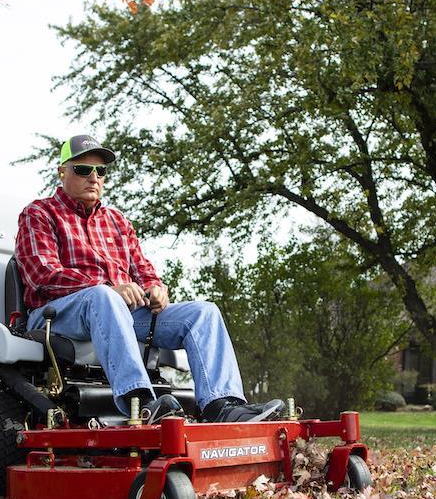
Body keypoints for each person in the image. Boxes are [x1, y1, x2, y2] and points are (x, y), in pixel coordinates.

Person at [15, 134, 284, 424]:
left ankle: (222, 405)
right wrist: (109, 288)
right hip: (56, 316)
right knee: (103, 297)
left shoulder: (118, 222)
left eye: (100, 171)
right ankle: (140, 402)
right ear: (62, 171)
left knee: (203, 313)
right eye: (83, 169)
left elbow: (143, 270)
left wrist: (155, 288)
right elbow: (43, 274)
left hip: (118, 313)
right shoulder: (39, 213)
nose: (93, 177)